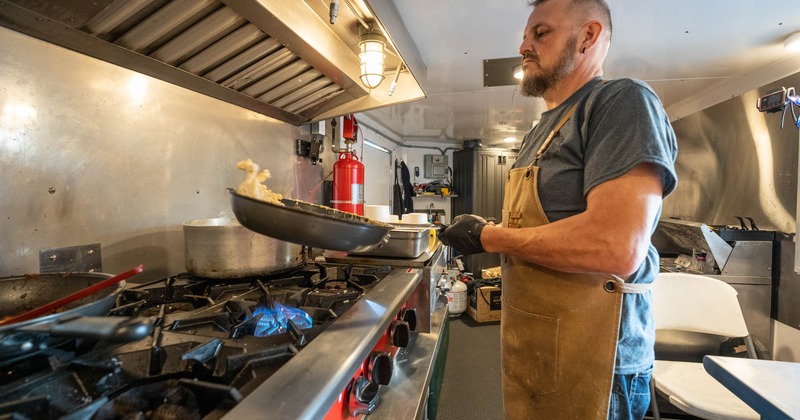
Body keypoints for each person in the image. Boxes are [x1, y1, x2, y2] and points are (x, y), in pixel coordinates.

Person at [437, 0, 678, 419]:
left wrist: (486, 236)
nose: (524, 45)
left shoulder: (620, 102)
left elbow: (614, 247)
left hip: (597, 360)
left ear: (588, 36)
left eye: (540, 33)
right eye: (527, 35)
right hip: (535, 341)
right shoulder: (541, 131)